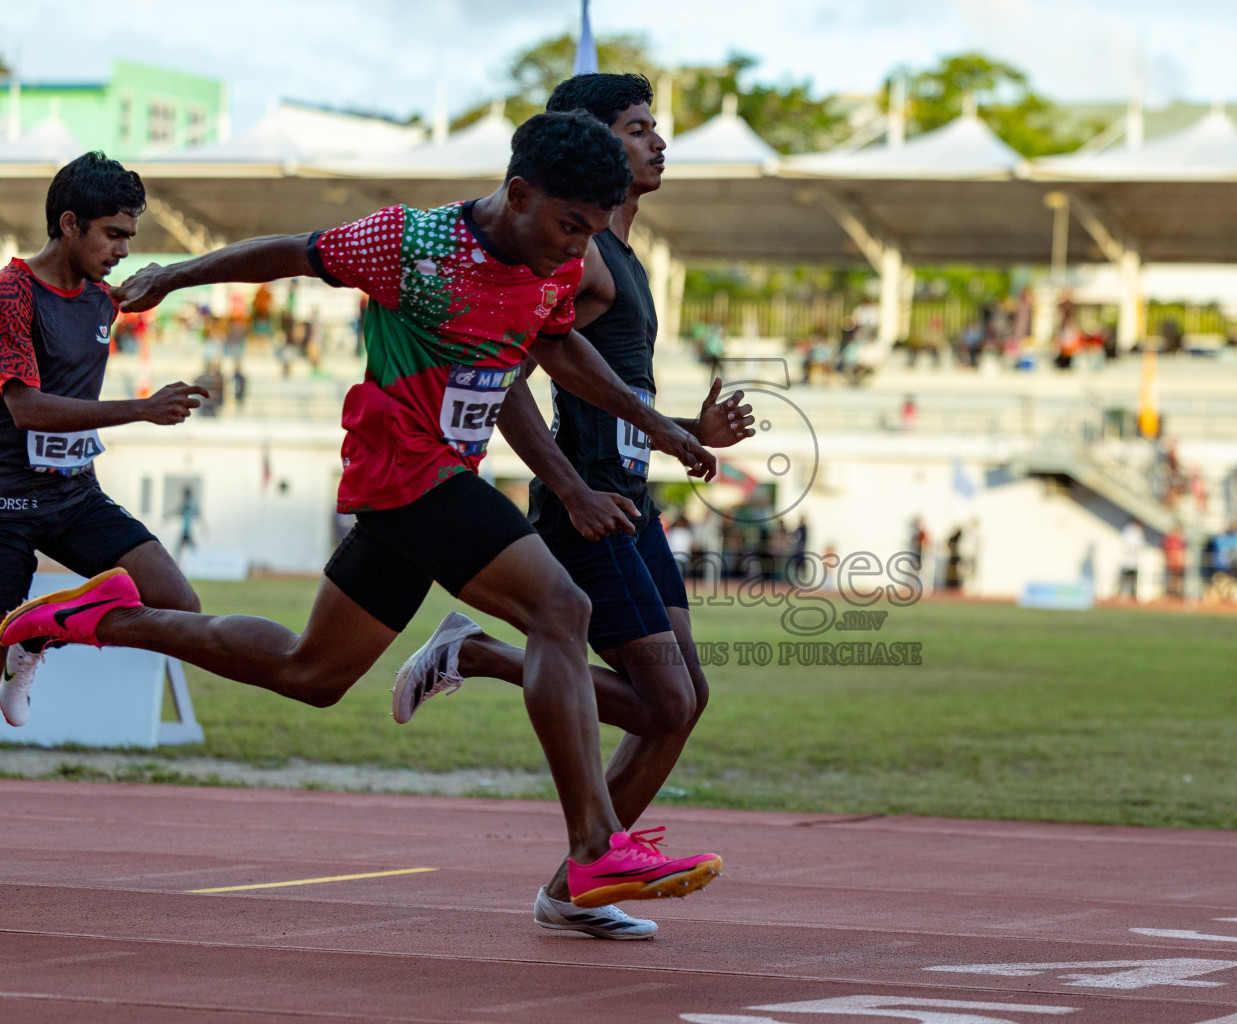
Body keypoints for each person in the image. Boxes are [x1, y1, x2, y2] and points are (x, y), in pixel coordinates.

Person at [2, 112, 723, 911]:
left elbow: (553, 347)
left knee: (308, 672)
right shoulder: (411, 244)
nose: (575, 249)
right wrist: (176, 276)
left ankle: (89, 618)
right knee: (562, 607)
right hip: (403, 469)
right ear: (517, 194)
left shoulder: (557, 261)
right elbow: (291, 253)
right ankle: (593, 849)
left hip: (439, 479)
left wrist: (660, 425)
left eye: (589, 231)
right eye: (566, 225)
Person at [382, 75, 754, 940]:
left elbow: (606, 382)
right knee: (663, 703)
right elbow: (505, 379)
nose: (658, 144)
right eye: (637, 129)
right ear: (590, 142)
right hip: (585, 503)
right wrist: (575, 487)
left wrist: (679, 432)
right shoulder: (579, 256)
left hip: (631, 498)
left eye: (657, 128)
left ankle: (573, 887)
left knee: (682, 702)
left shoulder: (623, 253)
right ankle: (475, 655)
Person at [0, 152, 207, 727]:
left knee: (180, 608)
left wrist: (169, 279)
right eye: (113, 235)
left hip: (75, 496)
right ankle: (23, 634)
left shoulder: (104, 296)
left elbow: (142, 286)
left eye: (129, 237)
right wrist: (142, 409)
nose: (122, 251)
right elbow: (25, 409)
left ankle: (44, 631)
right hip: (7, 503)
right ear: (69, 224)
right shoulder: (11, 294)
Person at [1118, 519, 1144, 601]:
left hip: (1135, 560)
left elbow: (1140, 545)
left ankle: (1133, 594)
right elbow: (1126, 544)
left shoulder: (1138, 532)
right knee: (1125, 577)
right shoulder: (1128, 531)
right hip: (1127, 559)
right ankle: (1121, 593)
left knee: (1133, 578)